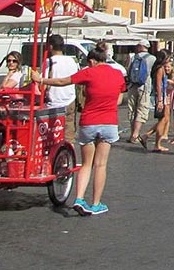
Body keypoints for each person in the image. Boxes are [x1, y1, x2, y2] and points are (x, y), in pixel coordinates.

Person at [31, 45, 126, 216]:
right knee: (101, 165)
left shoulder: (89, 72)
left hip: (89, 122)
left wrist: (41, 80)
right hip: (109, 123)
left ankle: (79, 199)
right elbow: (119, 98)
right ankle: (96, 203)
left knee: (86, 163)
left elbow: (62, 81)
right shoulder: (118, 73)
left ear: (91, 61)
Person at [42, 34, 79, 140]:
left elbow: (43, 83)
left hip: (54, 101)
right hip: (70, 99)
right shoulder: (72, 61)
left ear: (50, 46)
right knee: (68, 133)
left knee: (53, 133)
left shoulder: (49, 62)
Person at [126, 41, 156, 144]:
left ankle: (131, 134)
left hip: (132, 86)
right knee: (141, 109)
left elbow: (128, 70)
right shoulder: (152, 58)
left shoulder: (132, 57)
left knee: (132, 109)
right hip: (145, 86)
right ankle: (136, 134)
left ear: (140, 46)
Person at [141, 51, 172, 152]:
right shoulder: (160, 69)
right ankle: (157, 144)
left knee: (164, 119)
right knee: (162, 120)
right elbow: (158, 85)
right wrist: (160, 100)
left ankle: (147, 135)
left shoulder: (161, 68)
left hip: (162, 96)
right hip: (160, 96)